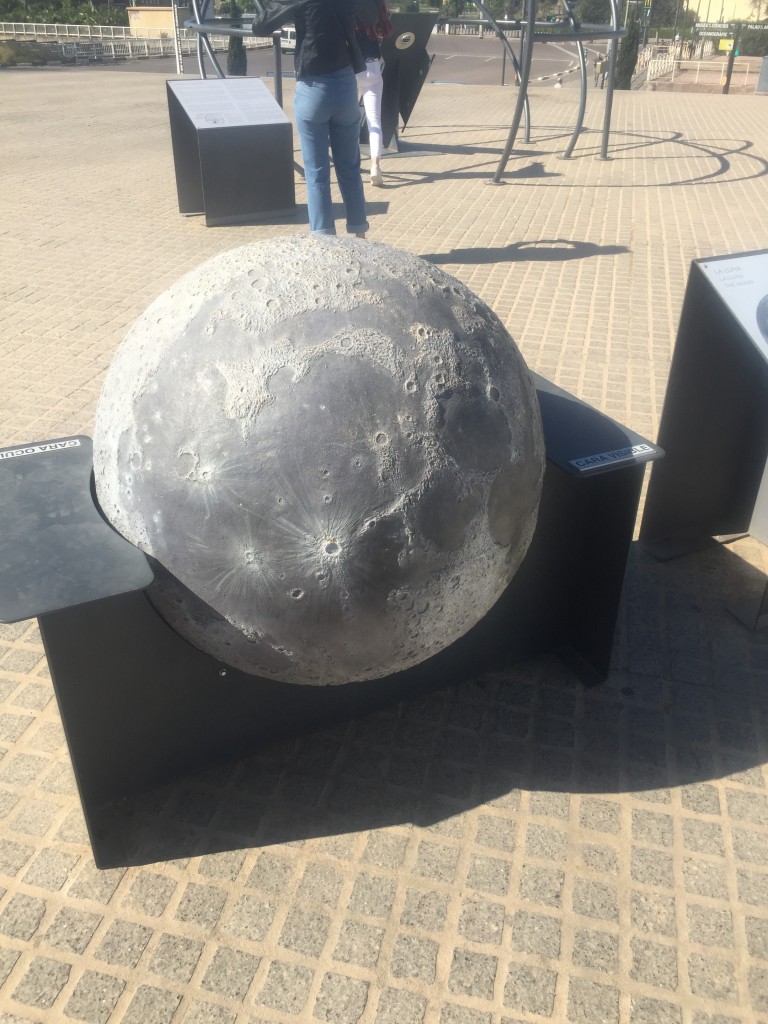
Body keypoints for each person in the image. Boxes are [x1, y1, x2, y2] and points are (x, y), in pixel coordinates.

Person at [252, 0, 374, 237]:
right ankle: (360, 236)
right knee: (350, 168)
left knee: (317, 173)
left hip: (313, 87)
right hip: (347, 86)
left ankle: (323, 240)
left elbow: (260, 27)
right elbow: (370, 15)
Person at [355, 0, 393, 188]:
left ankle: (351, 163)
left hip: (352, 67)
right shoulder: (376, 6)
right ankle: (375, 166)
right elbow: (384, 32)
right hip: (373, 66)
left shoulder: (349, 7)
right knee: (374, 121)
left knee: (348, 119)